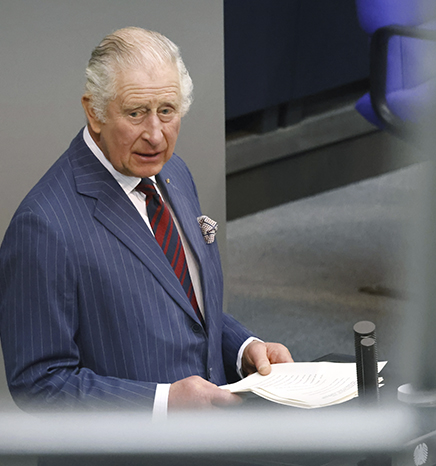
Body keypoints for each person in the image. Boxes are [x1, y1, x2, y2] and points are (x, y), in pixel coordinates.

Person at [0, 27, 293, 413]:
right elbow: (39, 384)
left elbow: (183, 306)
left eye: (167, 111)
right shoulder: (43, 226)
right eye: (136, 113)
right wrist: (163, 404)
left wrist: (242, 348)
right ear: (94, 112)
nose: (155, 135)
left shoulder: (174, 173)